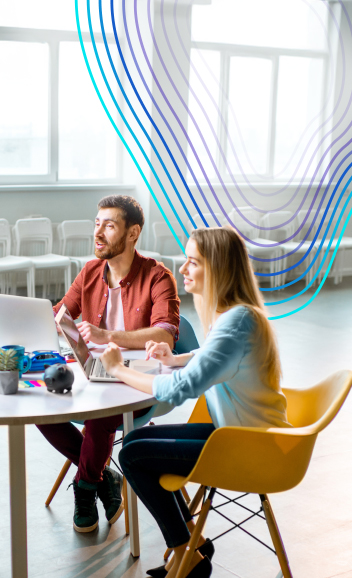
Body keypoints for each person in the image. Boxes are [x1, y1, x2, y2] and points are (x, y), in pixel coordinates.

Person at [106, 227, 290, 578]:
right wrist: (174, 358)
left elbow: (179, 390)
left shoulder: (237, 321)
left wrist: (119, 370)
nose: (183, 270)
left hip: (250, 446)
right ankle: (193, 542)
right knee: (134, 442)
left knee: (132, 455)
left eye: (193, 262)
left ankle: (184, 551)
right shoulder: (235, 314)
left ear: (218, 267)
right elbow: (211, 357)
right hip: (237, 434)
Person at [40, 195, 181, 532]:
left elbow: (165, 335)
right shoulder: (89, 271)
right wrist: (30, 319)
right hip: (94, 373)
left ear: (132, 233)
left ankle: (85, 487)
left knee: (100, 413)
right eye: (97, 223)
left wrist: (108, 336)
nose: (98, 232)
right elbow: (61, 314)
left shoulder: (158, 277)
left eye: (109, 225)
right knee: (39, 403)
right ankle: (105, 477)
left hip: (136, 378)